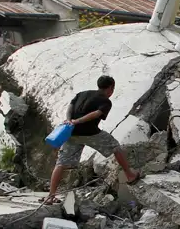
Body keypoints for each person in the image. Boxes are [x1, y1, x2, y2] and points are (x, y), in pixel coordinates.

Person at [45, 75, 140, 204]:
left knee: (61, 163)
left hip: (71, 133)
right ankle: (130, 175)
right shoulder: (106, 101)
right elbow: (96, 114)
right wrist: (77, 121)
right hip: (90, 133)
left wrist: (69, 121)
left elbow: (70, 106)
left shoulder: (81, 94)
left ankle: (51, 196)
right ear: (111, 88)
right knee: (115, 146)